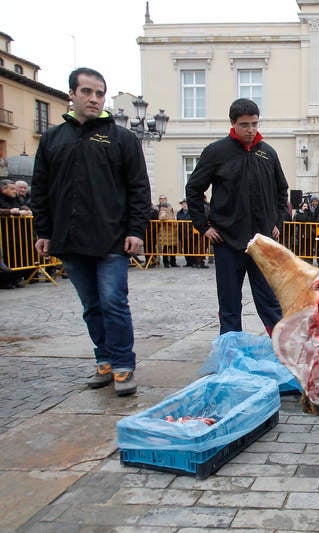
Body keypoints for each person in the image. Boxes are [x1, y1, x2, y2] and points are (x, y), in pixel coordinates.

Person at [30, 67, 150, 396]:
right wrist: (43, 229)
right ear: (72, 94)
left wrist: (136, 230)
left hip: (112, 237)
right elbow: (40, 187)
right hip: (69, 238)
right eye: (87, 92)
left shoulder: (121, 138)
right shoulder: (54, 139)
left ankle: (124, 364)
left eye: (99, 93)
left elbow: (139, 188)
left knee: (113, 302)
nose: (94, 99)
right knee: (91, 306)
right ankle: (105, 361)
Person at [185, 98, 289, 335]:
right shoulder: (216, 152)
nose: (251, 130)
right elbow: (193, 189)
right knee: (230, 304)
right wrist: (203, 226)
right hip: (227, 241)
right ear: (232, 123)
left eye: (254, 124)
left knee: (270, 302)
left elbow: (282, 190)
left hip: (262, 243)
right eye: (244, 125)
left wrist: (277, 222)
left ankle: (282, 348)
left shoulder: (268, 153)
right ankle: (230, 353)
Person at [156, 194, 178, 268]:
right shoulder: (163, 211)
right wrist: (172, 216)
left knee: (173, 248)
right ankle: (166, 263)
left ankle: (173, 262)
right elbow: (162, 218)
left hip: (173, 233)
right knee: (166, 248)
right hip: (166, 233)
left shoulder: (170, 211)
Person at [176, 199, 196, 267]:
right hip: (182, 233)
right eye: (183, 204)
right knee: (185, 248)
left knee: (191, 248)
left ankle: (193, 262)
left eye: (186, 204)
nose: (184, 205)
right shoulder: (179, 213)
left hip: (190, 233)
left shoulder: (192, 212)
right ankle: (188, 262)